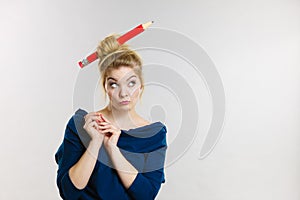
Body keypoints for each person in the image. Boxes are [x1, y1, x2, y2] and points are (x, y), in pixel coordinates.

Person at [55, 34, 168, 200]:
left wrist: (112, 149)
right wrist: (95, 144)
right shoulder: (82, 125)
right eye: (114, 84)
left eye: (131, 83)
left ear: (141, 87)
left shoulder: (154, 135)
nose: (123, 93)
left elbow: (147, 195)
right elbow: (68, 192)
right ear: (105, 87)